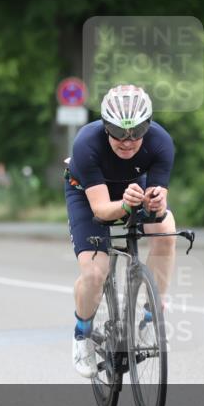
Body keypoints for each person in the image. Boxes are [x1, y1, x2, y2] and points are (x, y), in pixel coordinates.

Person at [64, 84, 176, 378]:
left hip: (132, 188)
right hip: (88, 194)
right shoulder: (86, 143)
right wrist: (126, 206)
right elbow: (101, 210)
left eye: (136, 133)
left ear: (147, 126)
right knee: (95, 273)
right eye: (118, 133)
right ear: (105, 127)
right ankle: (82, 334)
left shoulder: (161, 142)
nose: (127, 142)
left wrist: (157, 202)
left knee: (165, 230)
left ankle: (150, 316)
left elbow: (158, 202)